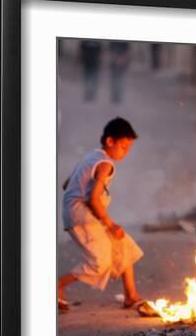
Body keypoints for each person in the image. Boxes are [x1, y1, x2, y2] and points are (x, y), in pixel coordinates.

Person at [58, 117, 144, 311]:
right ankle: (57, 286)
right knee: (100, 262)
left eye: (129, 147)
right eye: (123, 147)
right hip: (81, 217)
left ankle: (131, 296)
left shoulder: (91, 156)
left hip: (82, 214)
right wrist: (110, 224)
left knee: (123, 244)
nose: (126, 152)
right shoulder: (105, 164)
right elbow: (93, 200)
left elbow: (67, 183)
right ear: (110, 141)